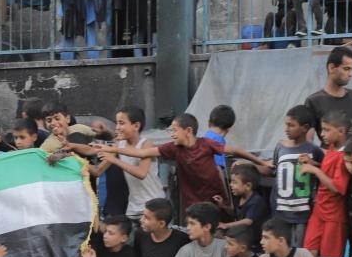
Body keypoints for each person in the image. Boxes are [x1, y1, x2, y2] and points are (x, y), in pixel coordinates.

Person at [100, 113, 270, 213]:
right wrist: (113, 149)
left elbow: (235, 151)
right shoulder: (173, 149)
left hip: (215, 201)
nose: (171, 134)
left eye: (174, 130)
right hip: (192, 206)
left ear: (188, 131)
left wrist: (260, 161)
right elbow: (142, 152)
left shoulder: (206, 144)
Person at [302, 110, 352, 257]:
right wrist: (313, 162)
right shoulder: (331, 148)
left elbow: (338, 187)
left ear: (341, 131)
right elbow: (327, 170)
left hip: (334, 214)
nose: (322, 134)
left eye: (326, 130)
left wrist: (314, 170)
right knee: (309, 253)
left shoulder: (345, 156)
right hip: (319, 210)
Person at [94, 106, 162, 221]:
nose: (117, 127)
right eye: (117, 123)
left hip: (153, 204)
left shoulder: (146, 144)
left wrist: (114, 159)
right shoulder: (119, 144)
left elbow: (141, 173)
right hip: (133, 208)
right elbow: (98, 170)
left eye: (121, 123)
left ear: (136, 126)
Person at [271, 105, 324, 247]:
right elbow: (272, 168)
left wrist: (313, 163)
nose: (286, 129)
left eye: (291, 125)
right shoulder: (280, 147)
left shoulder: (314, 150)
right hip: (281, 211)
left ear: (304, 128)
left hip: (302, 213)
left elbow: (325, 172)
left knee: (299, 250)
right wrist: (251, 165)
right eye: (286, 124)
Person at [304, 46, 352, 136]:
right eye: (346, 69)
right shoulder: (313, 101)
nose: (351, 74)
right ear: (331, 68)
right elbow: (308, 139)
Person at [217, 163, 267, 247]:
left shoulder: (256, 201)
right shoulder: (239, 197)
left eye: (234, 182)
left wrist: (226, 225)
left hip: (254, 241)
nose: (231, 185)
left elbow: (248, 221)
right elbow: (234, 213)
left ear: (248, 186)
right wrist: (223, 206)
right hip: (243, 235)